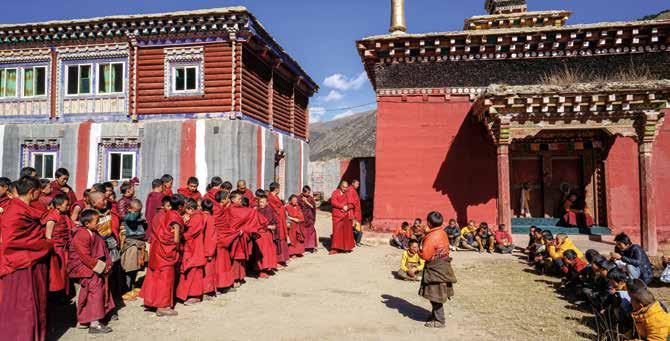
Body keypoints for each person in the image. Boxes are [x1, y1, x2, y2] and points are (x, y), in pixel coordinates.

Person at [0, 176, 52, 341]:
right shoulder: (14, 212)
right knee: (23, 305)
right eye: (39, 190)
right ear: (32, 192)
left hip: (32, 262)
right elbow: (12, 241)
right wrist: (46, 245)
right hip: (19, 265)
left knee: (35, 303)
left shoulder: (24, 208)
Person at [68, 209, 115, 334]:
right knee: (95, 292)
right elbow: (84, 256)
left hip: (92, 266)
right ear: (87, 223)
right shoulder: (82, 234)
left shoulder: (92, 232)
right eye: (96, 221)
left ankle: (87, 320)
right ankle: (94, 323)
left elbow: (102, 249)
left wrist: (107, 264)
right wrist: (101, 267)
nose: (99, 223)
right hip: (85, 267)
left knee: (95, 292)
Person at [140, 195, 183, 316]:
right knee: (166, 278)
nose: (169, 208)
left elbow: (158, 233)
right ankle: (163, 306)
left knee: (155, 276)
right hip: (166, 251)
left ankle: (151, 301)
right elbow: (173, 238)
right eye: (168, 206)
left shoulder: (158, 216)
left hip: (156, 249)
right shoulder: (172, 217)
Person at [418, 211, 455, 329]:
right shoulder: (442, 232)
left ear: (429, 223)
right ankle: (435, 315)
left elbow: (425, 256)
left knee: (435, 294)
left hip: (435, 268)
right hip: (443, 265)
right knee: (436, 293)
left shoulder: (432, 237)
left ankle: (440, 320)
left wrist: (419, 250)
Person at [43, 194, 74, 295]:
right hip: (56, 249)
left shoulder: (64, 215)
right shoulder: (52, 218)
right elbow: (48, 236)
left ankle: (65, 293)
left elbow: (71, 227)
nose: (69, 207)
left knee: (65, 271)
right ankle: (57, 294)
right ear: (58, 206)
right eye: (67, 205)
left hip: (65, 246)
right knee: (58, 272)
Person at [176, 198, 206, 305]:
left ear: (191, 209)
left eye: (185, 210)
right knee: (188, 272)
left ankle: (195, 295)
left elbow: (190, 233)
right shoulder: (192, 216)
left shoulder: (197, 218)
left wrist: (181, 227)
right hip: (190, 248)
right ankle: (184, 294)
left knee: (195, 272)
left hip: (195, 249)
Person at [120, 199, 147, 301]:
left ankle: (132, 287)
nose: (137, 213)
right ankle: (126, 290)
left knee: (136, 268)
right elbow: (131, 218)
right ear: (129, 209)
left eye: (139, 211)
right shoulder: (128, 217)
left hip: (139, 245)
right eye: (135, 211)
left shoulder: (138, 215)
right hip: (131, 245)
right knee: (129, 269)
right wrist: (137, 215)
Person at [252, 195, 278, 278]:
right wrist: (268, 227)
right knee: (261, 253)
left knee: (269, 252)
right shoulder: (256, 211)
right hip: (260, 235)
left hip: (268, 234)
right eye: (260, 202)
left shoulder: (269, 210)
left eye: (263, 202)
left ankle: (267, 268)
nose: (261, 204)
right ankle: (260, 270)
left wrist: (273, 226)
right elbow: (255, 223)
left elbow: (274, 221)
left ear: (267, 203)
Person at [330, 180, 355, 255]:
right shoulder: (335, 192)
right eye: (343, 187)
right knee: (337, 232)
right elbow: (333, 202)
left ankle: (346, 248)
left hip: (346, 215)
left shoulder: (349, 194)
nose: (345, 189)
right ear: (340, 186)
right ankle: (336, 248)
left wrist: (347, 207)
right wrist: (342, 206)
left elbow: (353, 204)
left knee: (346, 232)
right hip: (337, 215)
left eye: (346, 187)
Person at [267, 182, 290, 265]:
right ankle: (278, 259)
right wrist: (282, 209)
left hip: (281, 219)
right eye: (279, 188)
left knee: (282, 237)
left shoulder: (275, 197)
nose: (279, 190)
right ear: (276, 189)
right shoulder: (270, 197)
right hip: (276, 220)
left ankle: (283, 258)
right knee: (278, 237)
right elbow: (274, 209)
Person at [200, 199, 218, 299]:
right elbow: (211, 237)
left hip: (198, 247)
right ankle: (206, 292)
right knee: (208, 270)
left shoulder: (199, 216)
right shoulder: (210, 219)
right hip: (207, 249)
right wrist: (210, 252)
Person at [299, 186, 318, 253]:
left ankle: (311, 246)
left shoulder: (310, 198)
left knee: (311, 232)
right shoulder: (299, 198)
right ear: (303, 192)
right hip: (303, 217)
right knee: (303, 232)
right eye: (307, 192)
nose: (308, 194)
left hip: (309, 217)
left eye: (309, 192)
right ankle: (304, 246)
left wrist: (307, 202)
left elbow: (313, 207)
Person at [347, 179, 363, 247]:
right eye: (357, 184)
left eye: (358, 184)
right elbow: (351, 204)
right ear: (352, 183)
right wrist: (353, 216)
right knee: (358, 229)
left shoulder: (353, 190)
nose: (358, 185)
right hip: (354, 214)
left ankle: (355, 241)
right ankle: (357, 242)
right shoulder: (351, 190)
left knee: (355, 228)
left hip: (356, 213)